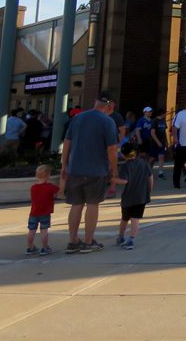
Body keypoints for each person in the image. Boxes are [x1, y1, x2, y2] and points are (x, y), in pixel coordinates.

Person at [61, 93, 118, 253]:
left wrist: (64, 165)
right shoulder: (108, 121)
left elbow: (67, 142)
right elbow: (112, 149)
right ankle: (88, 241)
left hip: (75, 168)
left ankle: (73, 241)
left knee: (76, 205)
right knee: (92, 204)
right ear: (109, 105)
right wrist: (114, 170)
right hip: (96, 169)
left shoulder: (78, 118)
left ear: (95, 102)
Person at [115, 143, 152, 250]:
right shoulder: (144, 163)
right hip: (141, 197)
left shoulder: (125, 166)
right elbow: (150, 177)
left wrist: (112, 180)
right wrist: (149, 189)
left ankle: (121, 237)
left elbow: (124, 181)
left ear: (123, 155)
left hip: (128, 198)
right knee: (135, 219)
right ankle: (131, 240)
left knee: (125, 218)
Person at [26, 163, 60, 255]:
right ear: (48, 175)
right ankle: (45, 248)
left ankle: (30, 247)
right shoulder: (50, 187)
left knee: (31, 230)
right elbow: (57, 193)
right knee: (44, 231)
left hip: (33, 213)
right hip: (45, 212)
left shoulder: (33, 188)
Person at [149, 110, 169, 179]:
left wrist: (166, 141)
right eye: (165, 113)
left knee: (161, 156)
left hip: (162, 142)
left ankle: (161, 173)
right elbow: (152, 133)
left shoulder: (163, 121)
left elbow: (164, 132)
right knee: (152, 158)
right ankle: (147, 171)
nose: (166, 114)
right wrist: (158, 142)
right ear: (161, 113)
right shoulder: (155, 121)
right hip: (154, 142)